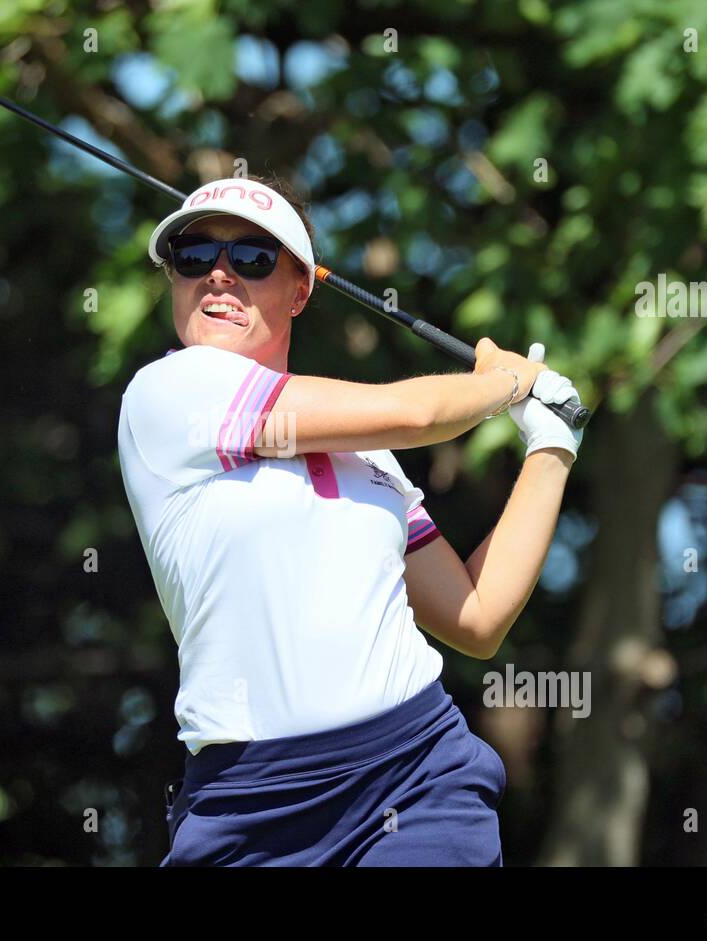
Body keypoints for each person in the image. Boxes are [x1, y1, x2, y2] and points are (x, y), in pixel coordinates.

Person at [116, 175, 583, 866]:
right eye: (193, 256)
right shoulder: (167, 393)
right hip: (253, 804)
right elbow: (420, 414)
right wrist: (506, 383)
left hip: (417, 774)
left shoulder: (367, 453)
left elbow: (476, 618)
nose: (218, 274)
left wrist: (551, 447)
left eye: (251, 259)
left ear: (301, 289)